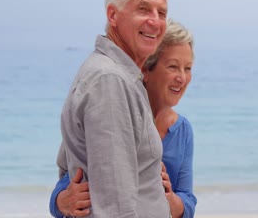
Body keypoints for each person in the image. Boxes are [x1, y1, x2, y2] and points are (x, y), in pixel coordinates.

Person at [50, 20, 197, 218]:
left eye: (187, 68)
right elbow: (70, 173)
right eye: (173, 67)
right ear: (145, 70)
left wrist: (169, 200)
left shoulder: (182, 130)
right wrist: (59, 202)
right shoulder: (108, 109)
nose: (182, 78)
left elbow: (187, 201)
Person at [56, 0, 170, 217]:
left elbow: (69, 163)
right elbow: (115, 207)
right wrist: (60, 201)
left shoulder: (118, 76)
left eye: (162, 12)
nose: (155, 21)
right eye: (143, 9)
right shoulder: (110, 81)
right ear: (113, 15)